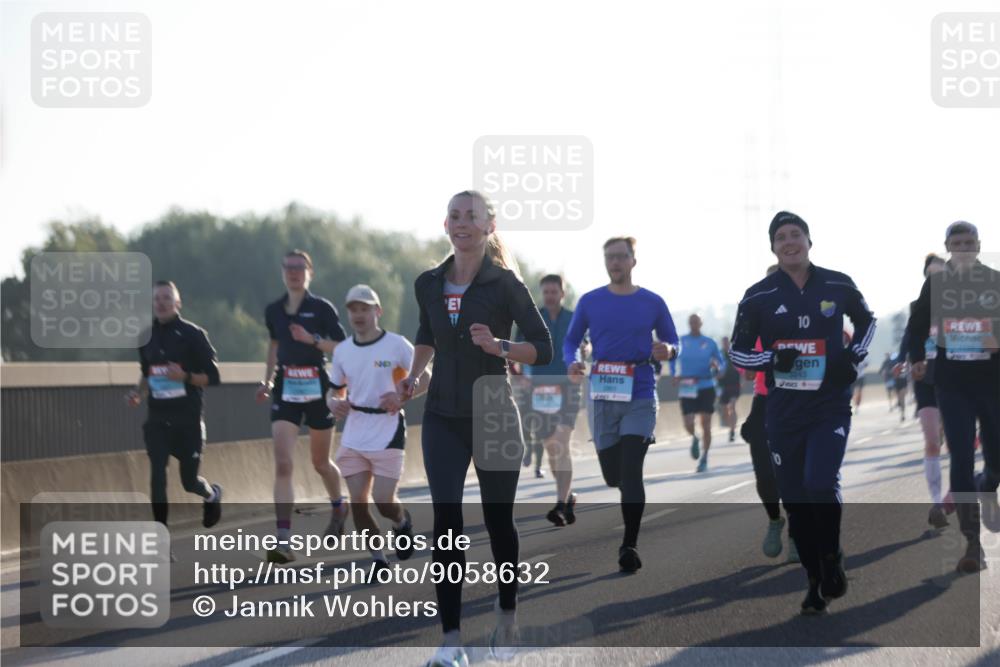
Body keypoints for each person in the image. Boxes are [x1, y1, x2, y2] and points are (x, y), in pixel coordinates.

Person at [399, 190, 552, 666]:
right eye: (455, 216)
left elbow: (542, 349)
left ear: (489, 226)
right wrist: (416, 374)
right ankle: (450, 644)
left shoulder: (505, 284)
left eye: (472, 216)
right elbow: (427, 333)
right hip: (442, 416)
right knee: (445, 525)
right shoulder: (428, 282)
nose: (462, 223)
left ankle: (507, 621)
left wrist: (502, 346)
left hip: (494, 412)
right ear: (446, 226)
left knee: (498, 522)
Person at [730, 211, 876, 615]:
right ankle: (814, 579)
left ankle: (831, 557)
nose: (789, 242)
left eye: (796, 234)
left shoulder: (837, 283)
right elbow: (738, 351)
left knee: (820, 481)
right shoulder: (759, 294)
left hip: (829, 404)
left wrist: (854, 356)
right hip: (783, 410)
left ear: (810, 241)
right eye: (781, 237)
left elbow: (867, 321)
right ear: (773, 247)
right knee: (795, 498)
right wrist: (772, 357)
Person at [564, 236, 678, 573]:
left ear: (633, 260)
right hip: (602, 395)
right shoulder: (590, 301)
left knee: (631, 471)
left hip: (641, 392)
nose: (615, 263)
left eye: (621, 257)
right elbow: (571, 340)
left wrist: (669, 351)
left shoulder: (652, 302)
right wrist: (572, 361)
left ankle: (629, 544)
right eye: (609, 257)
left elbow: (673, 341)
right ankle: (625, 515)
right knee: (613, 476)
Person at [907, 222, 999, 572]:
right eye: (956, 242)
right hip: (953, 384)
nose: (962, 246)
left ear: (978, 245)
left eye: (968, 241)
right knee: (960, 457)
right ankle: (973, 543)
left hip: (992, 383)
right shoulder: (937, 284)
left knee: (995, 461)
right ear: (947, 246)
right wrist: (917, 358)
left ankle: (986, 484)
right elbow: (916, 325)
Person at [254, 250, 349, 564]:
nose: (294, 273)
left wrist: (312, 339)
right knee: (283, 463)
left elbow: (342, 347)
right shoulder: (274, 310)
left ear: (310, 272)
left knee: (320, 462)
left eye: (300, 268)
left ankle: (338, 504)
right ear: (282, 272)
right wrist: (268, 381)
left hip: (317, 387)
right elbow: (274, 345)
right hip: (285, 389)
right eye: (289, 268)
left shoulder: (321, 308)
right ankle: (283, 540)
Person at [327, 285, 428, 579]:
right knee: (358, 502)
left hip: (388, 426)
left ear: (377, 312)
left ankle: (401, 522)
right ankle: (378, 559)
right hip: (355, 430)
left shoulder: (397, 345)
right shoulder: (343, 351)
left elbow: (426, 379)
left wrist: (402, 397)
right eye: (353, 309)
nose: (358, 315)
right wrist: (333, 403)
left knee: (384, 501)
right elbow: (334, 391)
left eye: (365, 309)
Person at [126, 281, 223, 558]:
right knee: (157, 475)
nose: (161, 302)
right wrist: (137, 393)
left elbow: (214, 377)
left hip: (188, 420)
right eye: (157, 298)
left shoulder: (193, 334)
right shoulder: (145, 337)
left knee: (189, 481)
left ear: (177, 303)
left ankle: (211, 494)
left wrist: (186, 377)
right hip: (157, 419)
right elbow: (147, 374)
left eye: (167, 298)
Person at [737, 265, 797, 562]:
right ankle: (775, 519)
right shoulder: (759, 314)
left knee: (796, 471)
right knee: (764, 473)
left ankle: (798, 532)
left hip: (803, 401)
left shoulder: (809, 308)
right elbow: (744, 355)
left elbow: (839, 334)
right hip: (765, 400)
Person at [517, 274, 587, 526]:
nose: (549, 296)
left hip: (568, 389)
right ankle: (567, 496)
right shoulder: (531, 319)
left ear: (562, 293)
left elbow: (585, 345)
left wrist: (582, 357)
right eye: (545, 292)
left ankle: (559, 503)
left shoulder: (574, 318)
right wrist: (519, 375)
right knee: (551, 449)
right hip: (539, 392)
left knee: (561, 441)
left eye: (553, 292)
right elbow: (515, 350)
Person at [897, 254, 949, 529]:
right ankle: (937, 504)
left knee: (958, 446)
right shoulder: (918, 307)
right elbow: (910, 336)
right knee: (931, 441)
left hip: (957, 382)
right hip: (926, 381)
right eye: (931, 275)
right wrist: (900, 360)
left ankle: (952, 498)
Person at [671, 314, 722, 472]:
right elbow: (672, 359)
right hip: (687, 384)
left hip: (706, 384)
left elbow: (721, 362)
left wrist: (717, 367)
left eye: (696, 322)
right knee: (688, 422)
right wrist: (674, 374)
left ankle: (704, 457)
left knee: (706, 422)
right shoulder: (681, 341)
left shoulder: (710, 342)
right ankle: (694, 437)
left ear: (701, 323)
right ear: (689, 323)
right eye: (691, 322)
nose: (694, 324)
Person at [717, 336, 743, 443]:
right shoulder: (719, 354)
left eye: (727, 342)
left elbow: (742, 368)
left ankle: (732, 431)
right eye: (723, 342)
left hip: (734, 385)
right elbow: (714, 367)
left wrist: (742, 381)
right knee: (724, 410)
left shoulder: (734, 354)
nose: (725, 344)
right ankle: (730, 425)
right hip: (723, 386)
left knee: (732, 406)